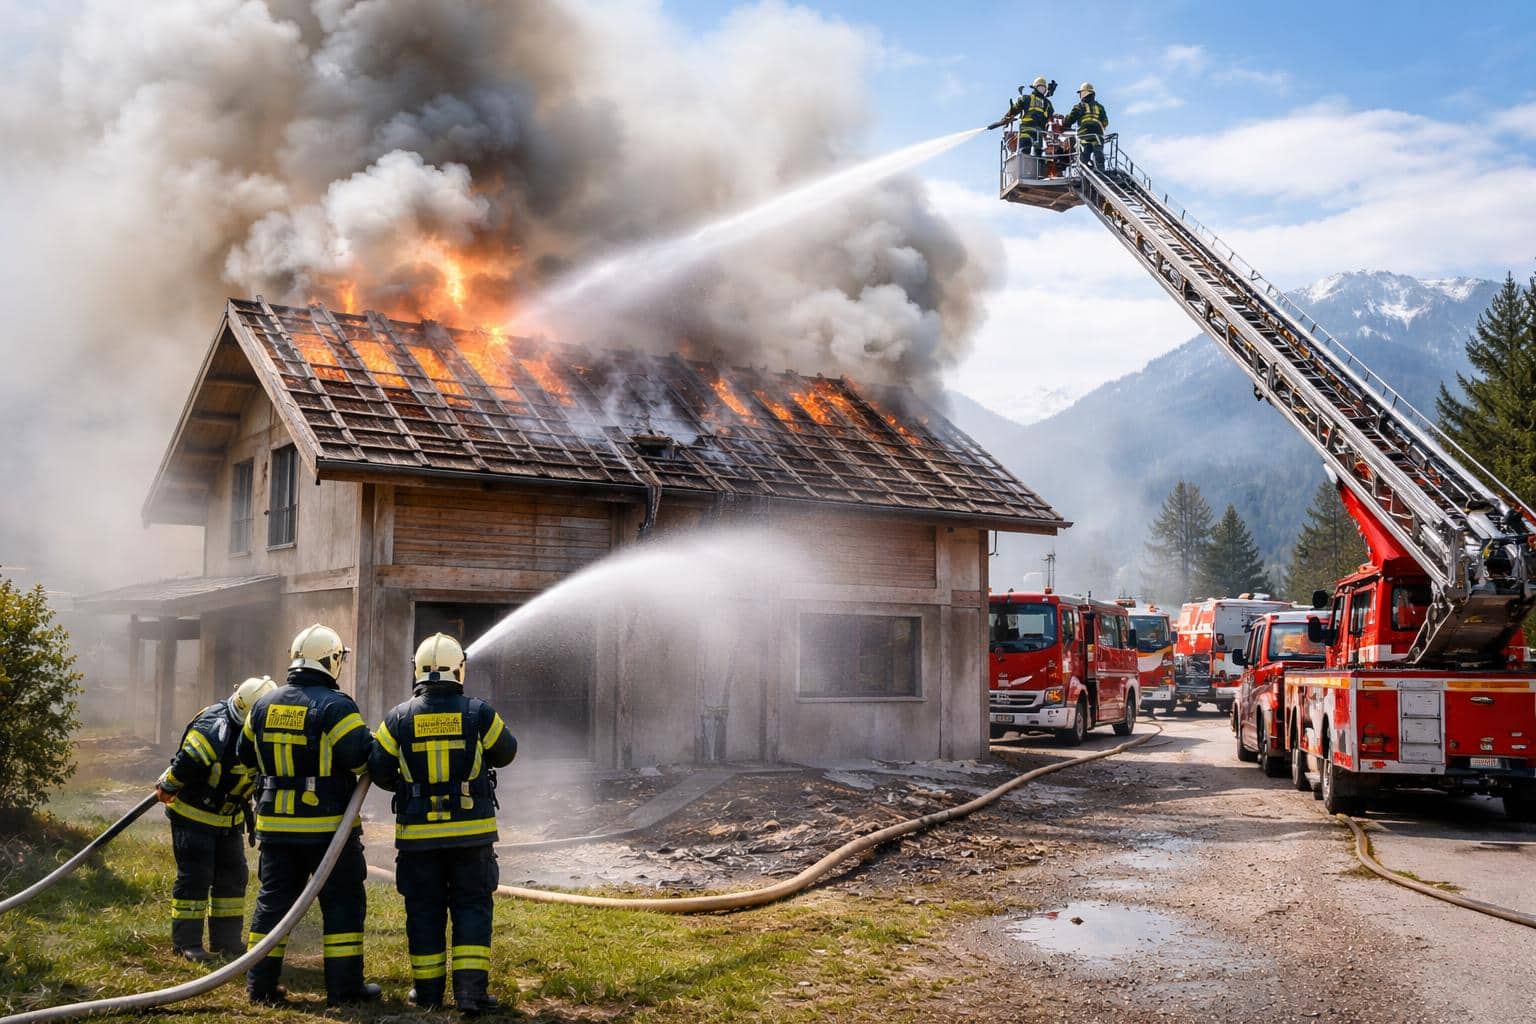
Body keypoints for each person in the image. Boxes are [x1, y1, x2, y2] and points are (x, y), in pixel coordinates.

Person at [369, 633, 518, 1015]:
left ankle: (428, 994)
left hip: (417, 840)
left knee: (424, 911)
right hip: (471, 836)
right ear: (460, 668)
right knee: (471, 908)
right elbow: (507, 751)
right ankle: (470, 994)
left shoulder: (397, 718)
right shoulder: (479, 713)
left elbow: (380, 770)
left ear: (416, 669)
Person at [235, 624, 378, 1006]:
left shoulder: (263, 705)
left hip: (275, 830)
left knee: (272, 905)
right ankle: (345, 990)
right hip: (327, 830)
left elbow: (244, 754)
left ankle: (260, 987)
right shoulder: (336, 706)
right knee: (343, 904)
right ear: (332, 660)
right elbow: (362, 757)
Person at [154, 675, 275, 961]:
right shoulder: (213, 728)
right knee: (196, 877)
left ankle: (227, 942)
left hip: (228, 820)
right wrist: (168, 786)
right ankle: (187, 944)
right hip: (194, 817)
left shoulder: (261, 734)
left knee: (233, 878)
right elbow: (184, 765)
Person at [989, 76, 1055, 174]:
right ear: (1035, 88)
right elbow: (1014, 109)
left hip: (1039, 132)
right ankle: (1024, 173)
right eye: (1040, 87)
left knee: (1039, 153)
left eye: (1043, 88)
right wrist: (1006, 119)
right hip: (1026, 131)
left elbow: (1050, 117)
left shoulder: (1047, 103)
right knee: (1025, 151)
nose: (1042, 89)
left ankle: (1040, 174)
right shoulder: (1026, 98)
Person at [1064, 82, 1109, 171]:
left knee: (1085, 152)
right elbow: (1105, 122)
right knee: (1098, 152)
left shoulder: (1079, 106)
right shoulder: (1100, 107)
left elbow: (1071, 118)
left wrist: (1065, 123)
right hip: (1098, 134)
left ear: (1084, 94)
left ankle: (1084, 170)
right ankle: (1101, 170)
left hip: (1084, 133)